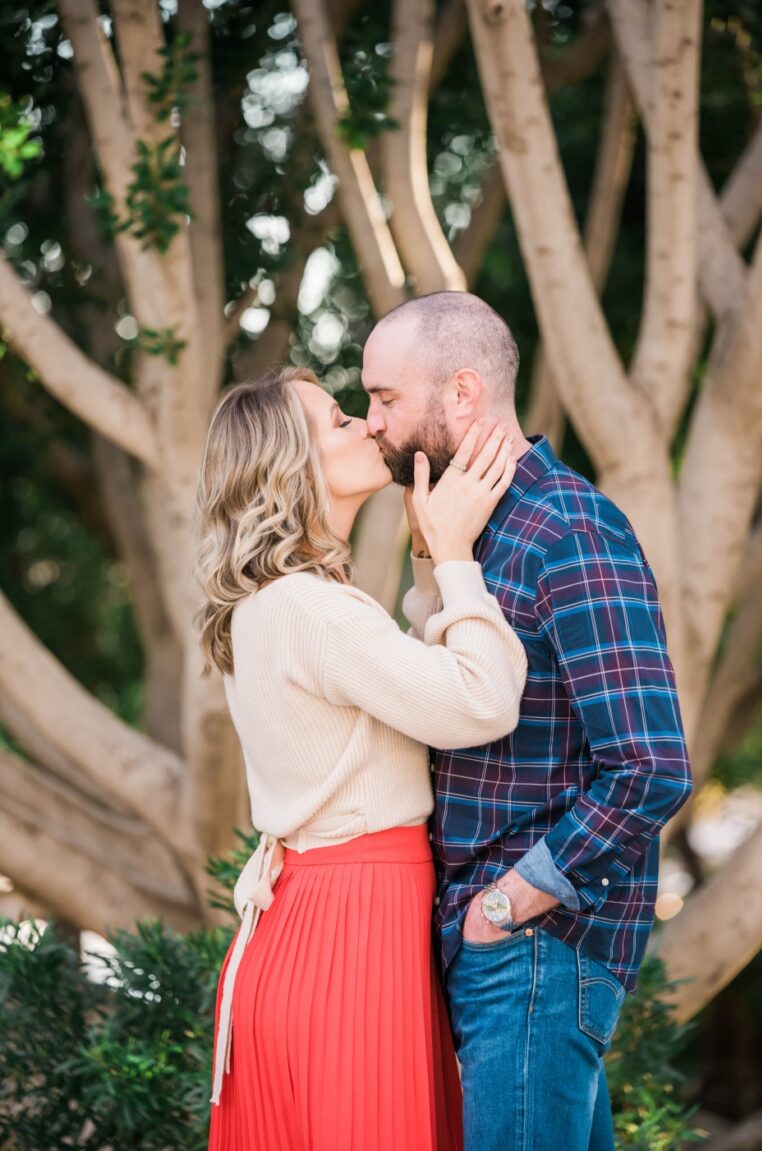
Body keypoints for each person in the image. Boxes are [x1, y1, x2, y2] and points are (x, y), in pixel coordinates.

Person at [362, 292, 694, 1151]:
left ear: (463, 393)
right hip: (506, 954)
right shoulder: (479, 536)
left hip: (533, 951)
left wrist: (505, 908)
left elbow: (650, 766)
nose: (371, 423)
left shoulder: (569, 530)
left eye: (385, 398)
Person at [195, 366, 528, 1151]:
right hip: (353, 932)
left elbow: (402, 692)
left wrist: (424, 562)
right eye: (340, 419)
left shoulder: (279, 601)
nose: (368, 426)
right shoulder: (312, 608)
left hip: (310, 926)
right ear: (292, 466)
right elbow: (479, 702)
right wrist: (454, 557)